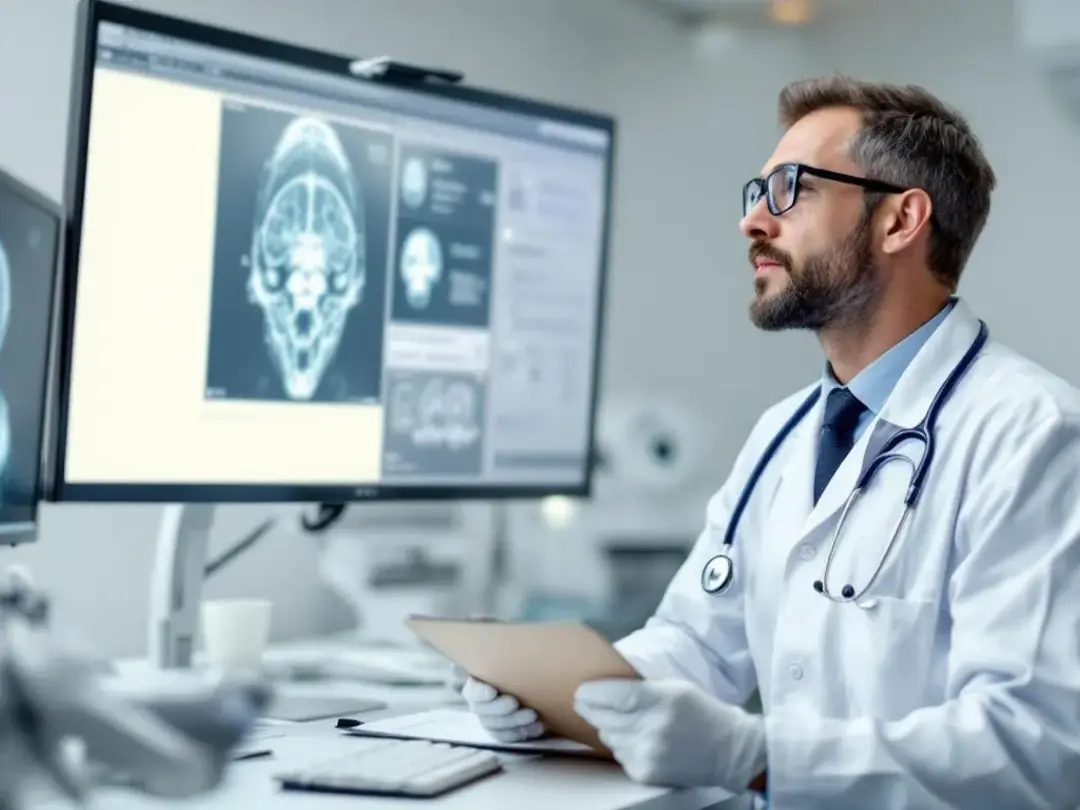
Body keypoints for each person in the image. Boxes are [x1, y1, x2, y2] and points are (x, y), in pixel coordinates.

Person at [461, 75, 1080, 809]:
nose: (753, 221)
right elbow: (694, 643)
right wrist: (559, 699)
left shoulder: (1033, 434)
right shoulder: (783, 432)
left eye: (789, 189)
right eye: (754, 193)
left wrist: (759, 756)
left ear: (900, 220)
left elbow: (1038, 744)